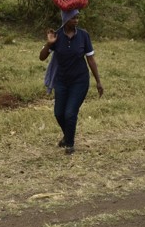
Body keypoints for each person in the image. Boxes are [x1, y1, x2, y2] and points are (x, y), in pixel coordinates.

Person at [39, 9, 104, 154]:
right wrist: (49, 44)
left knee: (70, 113)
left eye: (77, 18)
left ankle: (70, 144)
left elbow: (91, 60)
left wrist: (98, 81)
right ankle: (67, 136)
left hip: (79, 81)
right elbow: (42, 57)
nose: (76, 20)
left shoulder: (83, 35)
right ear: (65, 20)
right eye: (73, 18)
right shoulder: (56, 36)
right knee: (59, 113)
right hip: (61, 81)